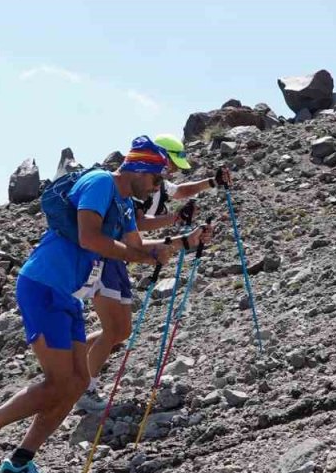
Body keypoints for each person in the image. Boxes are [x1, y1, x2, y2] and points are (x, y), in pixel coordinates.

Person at [0, 137, 211, 473]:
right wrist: (143, 257)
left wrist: (184, 242)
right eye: (155, 178)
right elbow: (90, 239)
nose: (156, 187)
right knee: (59, 382)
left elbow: (135, 247)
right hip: (43, 286)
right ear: (141, 169)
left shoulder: (122, 200)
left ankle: (20, 463)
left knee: (75, 384)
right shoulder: (101, 182)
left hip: (67, 295)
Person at [76, 133, 231, 412]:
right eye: (170, 164)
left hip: (119, 258)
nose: (169, 172)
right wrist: (173, 226)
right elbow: (134, 228)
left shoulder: (154, 182)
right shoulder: (133, 187)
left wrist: (210, 183)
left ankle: (70, 354)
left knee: (121, 331)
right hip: (108, 257)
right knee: (114, 330)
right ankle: (84, 389)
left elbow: (181, 192)